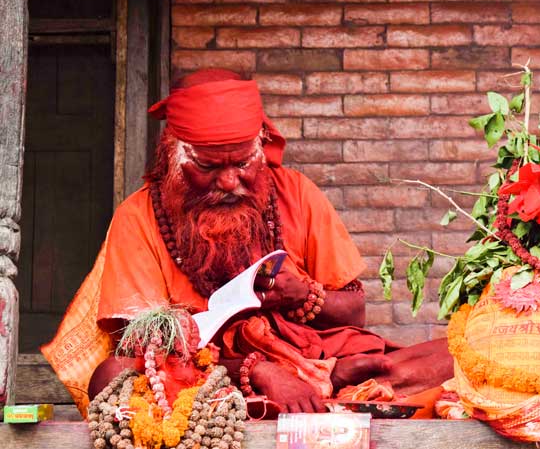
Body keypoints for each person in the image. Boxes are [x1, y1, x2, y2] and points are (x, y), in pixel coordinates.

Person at [42, 69, 452, 416]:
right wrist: (258, 369)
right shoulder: (139, 216)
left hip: (318, 355)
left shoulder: (296, 192)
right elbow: (144, 348)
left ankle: (327, 381)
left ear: (262, 146)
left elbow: (355, 311)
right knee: (113, 376)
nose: (228, 181)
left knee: (453, 356)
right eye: (207, 166)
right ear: (173, 155)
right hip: (207, 375)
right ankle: (319, 390)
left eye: (242, 163)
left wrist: (303, 293)